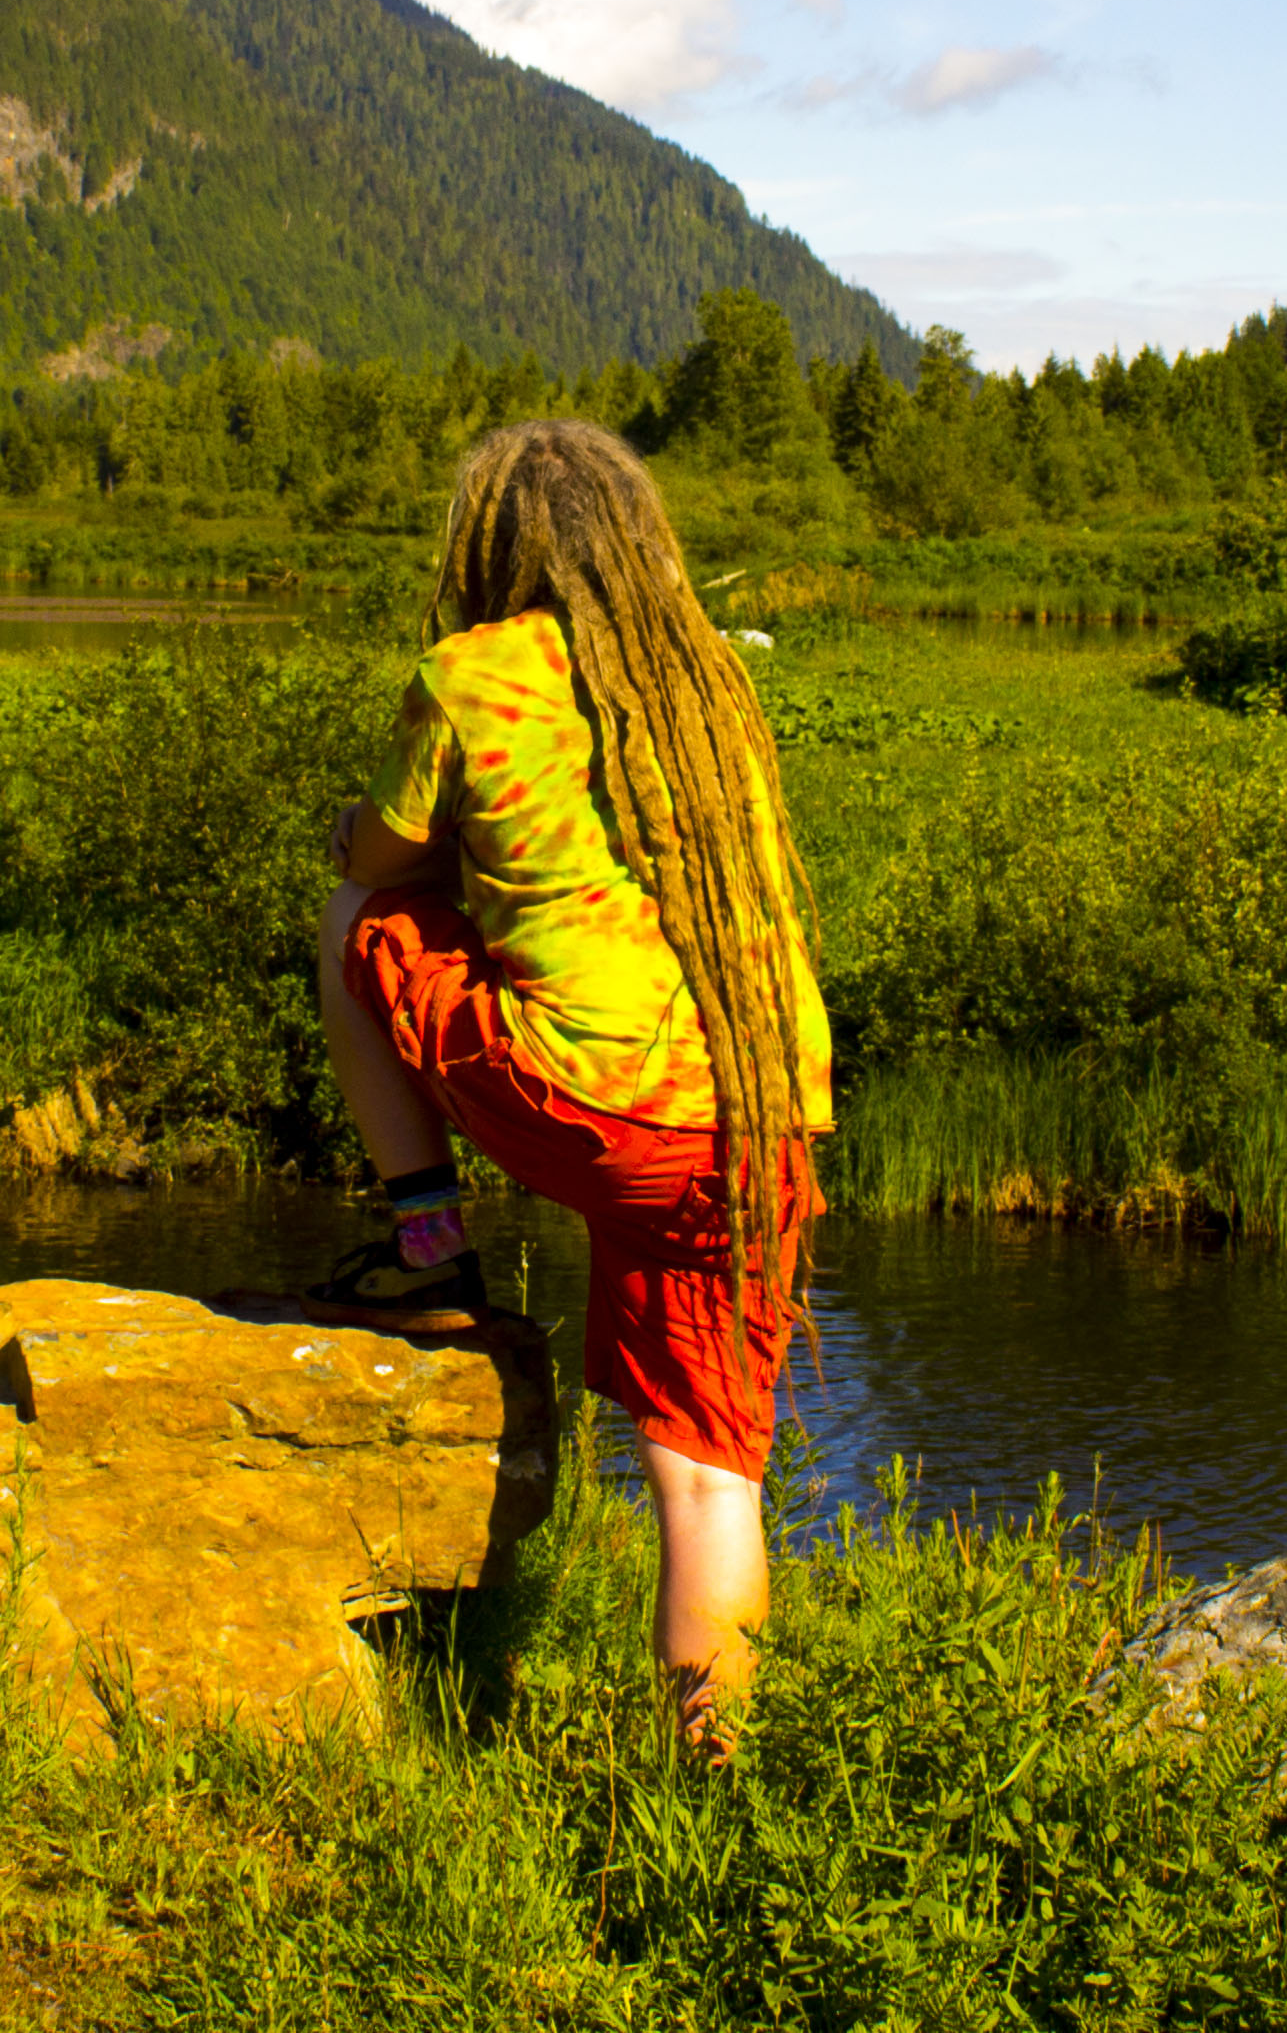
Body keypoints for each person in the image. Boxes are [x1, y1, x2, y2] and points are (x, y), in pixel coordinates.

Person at [309, 417, 832, 1755]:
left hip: (596, 1104)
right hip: (754, 1131)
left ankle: (425, 1240)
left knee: (355, 917)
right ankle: (712, 1783)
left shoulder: (474, 673)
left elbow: (385, 851)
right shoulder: (707, 677)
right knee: (709, 1480)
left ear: (487, 545)